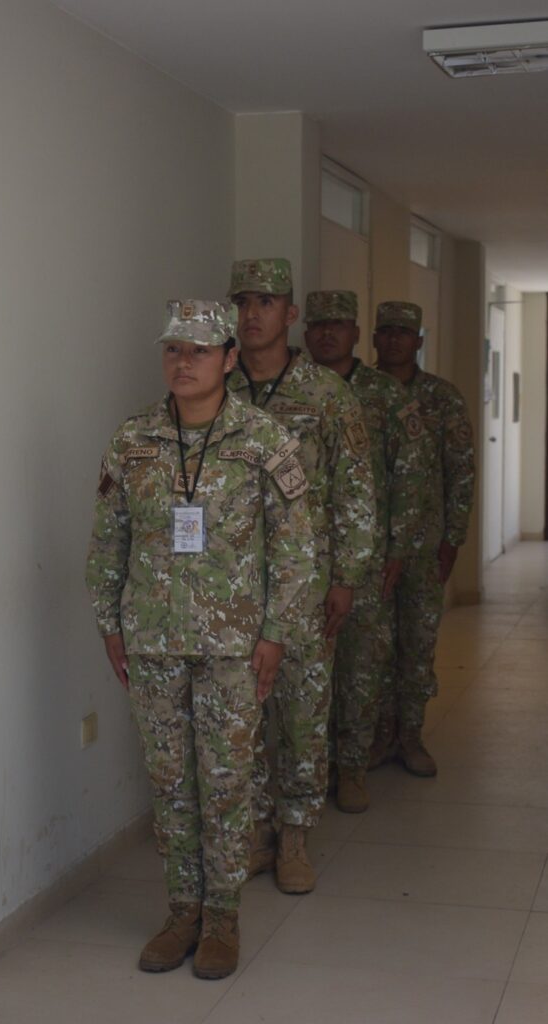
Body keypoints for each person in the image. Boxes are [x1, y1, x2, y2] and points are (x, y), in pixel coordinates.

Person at [86, 299, 316, 978]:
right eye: (173, 349)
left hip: (234, 648)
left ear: (229, 359)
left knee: (224, 785)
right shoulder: (134, 440)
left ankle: (222, 919)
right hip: (153, 642)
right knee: (170, 784)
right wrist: (110, 622)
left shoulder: (264, 440)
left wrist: (275, 633)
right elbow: (109, 539)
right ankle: (181, 910)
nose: (183, 362)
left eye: (199, 350)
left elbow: (295, 548)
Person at [226, 260, 375, 892]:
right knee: (242, 711)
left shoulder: (326, 394)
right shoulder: (218, 387)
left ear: (290, 315)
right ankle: (258, 832)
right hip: (232, 587)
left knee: (302, 713)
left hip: (305, 584)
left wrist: (347, 576)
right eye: (243, 302)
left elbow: (355, 489)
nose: (252, 314)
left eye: (266, 302)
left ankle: (294, 837)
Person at [304, 290, 424, 811]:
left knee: (359, 667)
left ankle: (352, 766)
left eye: (338, 324)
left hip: (366, 555)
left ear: (357, 333)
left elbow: (410, 475)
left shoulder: (385, 395)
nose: (327, 332)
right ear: (304, 331)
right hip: (302, 558)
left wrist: (398, 546)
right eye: (319, 324)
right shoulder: (290, 388)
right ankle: (313, 769)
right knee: (307, 672)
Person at [371, 301, 475, 776]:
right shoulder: (357, 392)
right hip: (370, 545)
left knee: (417, 642)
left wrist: (453, 539)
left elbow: (461, 471)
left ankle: (410, 736)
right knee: (373, 647)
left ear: (417, 341)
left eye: (403, 332)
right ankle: (377, 736)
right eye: (386, 331)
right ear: (374, 338)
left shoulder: (442, 398)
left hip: (424, 545)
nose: (394, 339)